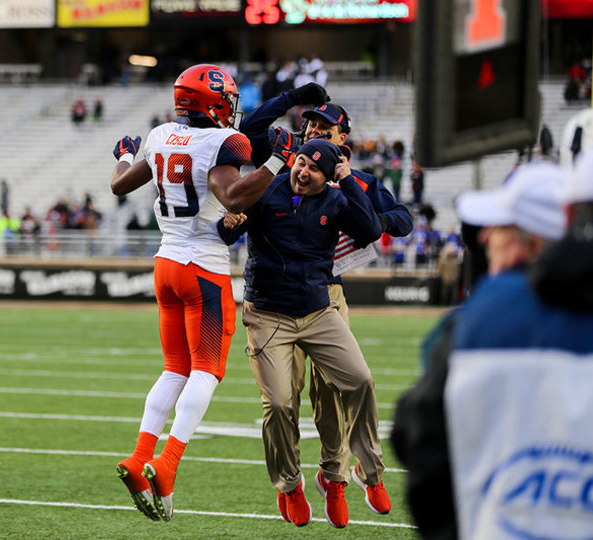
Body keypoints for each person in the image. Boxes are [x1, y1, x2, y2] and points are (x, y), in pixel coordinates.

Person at [109, 63, 295, 522]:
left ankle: (139, 456)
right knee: (207, 370)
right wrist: (276, 161)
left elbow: (119, 183)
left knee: (175, 367)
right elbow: (232, 197)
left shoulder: (157, 136)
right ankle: (167, 464)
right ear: (213, 103)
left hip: (165, 263)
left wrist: (125, 153)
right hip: (203, 267)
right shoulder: (223, 141)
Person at [240, 94, 412, 526]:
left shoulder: (355, 181)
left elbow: (399, 219)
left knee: (335, 393)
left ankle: (336, 478)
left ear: (344, 141)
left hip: (326, 295)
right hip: (273, 300)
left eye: (326, 127)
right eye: (311, 124)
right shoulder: (283, 160)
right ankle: (292, 483)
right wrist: (291, 98)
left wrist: (357, 202)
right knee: (283, 397)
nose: (315, 130)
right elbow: (249, 132)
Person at [390, 161, 568, 539]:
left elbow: (418, 433)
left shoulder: (485, 319)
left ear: (532, 242)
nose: (487, 239)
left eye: (501, 229)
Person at [217, 139, 385, 528]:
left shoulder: (338, 199)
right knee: (278, 403)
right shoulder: (267, 188)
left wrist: (349, 180)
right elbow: (226, 231)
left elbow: (370, 229)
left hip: (317, 311)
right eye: (301, 162)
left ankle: (368, 474)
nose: (303, 171)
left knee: (360, 380)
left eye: (314, 169)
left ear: (328, 178)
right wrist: (228, 223)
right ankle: (290, 485)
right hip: (267, 314)